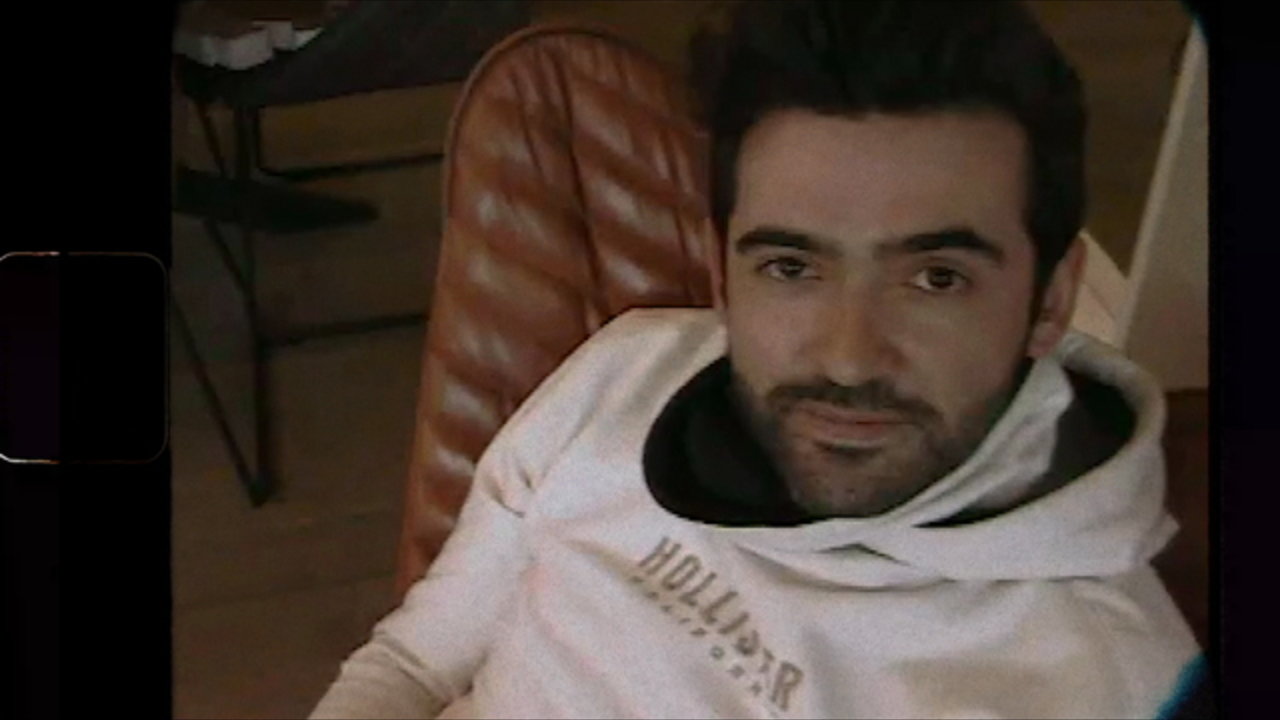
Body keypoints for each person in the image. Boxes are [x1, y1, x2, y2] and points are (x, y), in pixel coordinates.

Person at [312, 1, 1206, 717]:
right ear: (720, 273)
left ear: (1050, 299)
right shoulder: (624, 372)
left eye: (936, 278)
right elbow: (412, 662)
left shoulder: (1107, 683)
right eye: (791, 267)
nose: (848, 359)